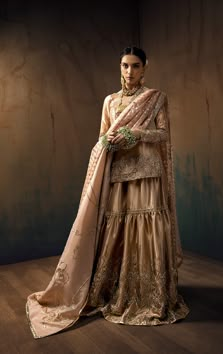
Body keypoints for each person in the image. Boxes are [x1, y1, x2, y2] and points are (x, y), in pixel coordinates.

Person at [26, 46, 190, 339]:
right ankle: (117, 290)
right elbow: (102, 138)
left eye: (136, 66)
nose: (130, 72)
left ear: (145, 67)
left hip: (147, 172)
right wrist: (111, 141)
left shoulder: (155, 98)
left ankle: (150, 296)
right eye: (125, 66)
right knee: (118, 231)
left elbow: (163, 134)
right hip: (117, 170)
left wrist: (135, 134)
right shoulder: (110, 101)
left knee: (146, 231)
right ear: (119, 67)